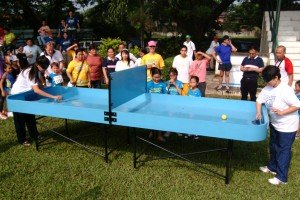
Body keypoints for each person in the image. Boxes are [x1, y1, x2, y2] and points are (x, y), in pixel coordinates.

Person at [256, 65, 300, 185]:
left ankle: (281, 177)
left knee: (283, 150)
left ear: (276, 77)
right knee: (274, 146)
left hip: (287, 126)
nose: (266, 82)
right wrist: (259, 112)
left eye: (268, 80)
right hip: (275, 124)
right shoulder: (268, 87)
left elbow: (297, 105)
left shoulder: (285, 90)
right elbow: (259, 100)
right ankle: (272, 167)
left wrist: (282, 112)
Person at [11, 55, 62, 146]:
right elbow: (37, 90)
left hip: (26, 94)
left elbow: (38, 84)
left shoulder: (35, 69)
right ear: (38, 65)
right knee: (20, 120)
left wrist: (45, 87)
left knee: (30, 115)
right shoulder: (30, 71)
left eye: (46, 67)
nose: (44, 69)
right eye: (43, 67)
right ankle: (22, 139)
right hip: (17, 95)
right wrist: (53, 97)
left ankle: (34, 134)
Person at [147, 67, 166, 142]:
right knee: (151, 119)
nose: (157, 79)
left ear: (160, 76)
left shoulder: (163, 84)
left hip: (160, 106)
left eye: (158, 77)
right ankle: (151, 132)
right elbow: (146, 95)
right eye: (155, 77)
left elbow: (165, 95)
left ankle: (159, 135)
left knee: (159, 120)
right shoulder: (148, 84)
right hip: (151, 106)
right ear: (152, 76)